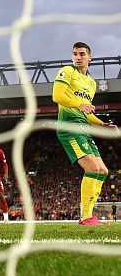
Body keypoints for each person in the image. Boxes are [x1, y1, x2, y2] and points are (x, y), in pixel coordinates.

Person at [52, 41, 117, 226]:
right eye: (75, 54)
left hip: (83, 127)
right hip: (69, 126)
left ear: (90, 57)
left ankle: (89, 215)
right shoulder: (67, 71)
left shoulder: (91, 83)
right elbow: (57, 96)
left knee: (103, 171)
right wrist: (79, 104)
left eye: (82, 54)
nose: (78, 57)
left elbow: (87, 113)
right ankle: (85, 216)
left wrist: (102, 124)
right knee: (92, 168)